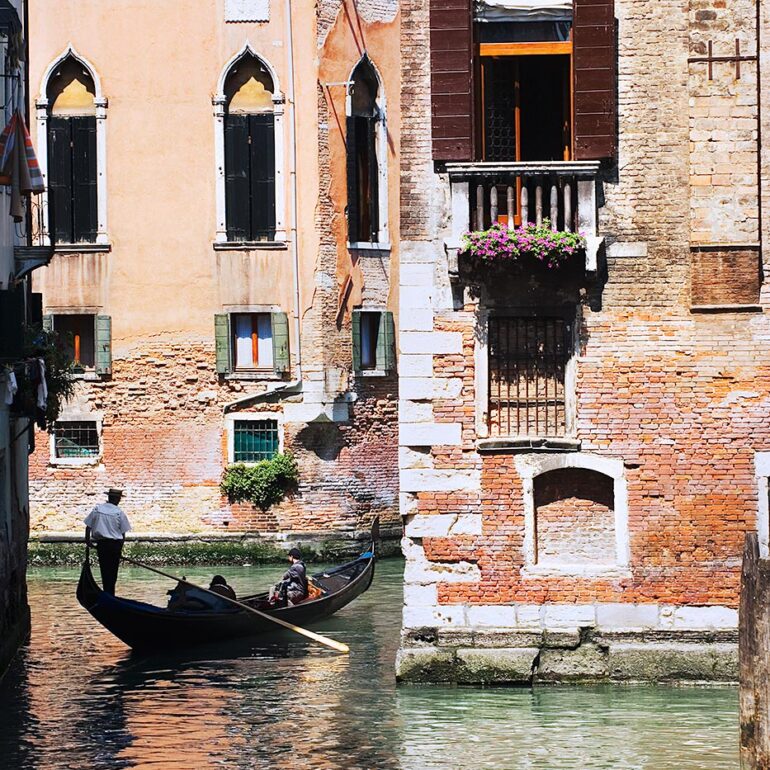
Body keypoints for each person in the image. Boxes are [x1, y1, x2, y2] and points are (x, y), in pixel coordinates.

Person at [84, 488, 131, 596]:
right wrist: (120, 549)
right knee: (113, 573)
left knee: (105, 571)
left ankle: (107, 594)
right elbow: (123, 533)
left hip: (102, 545)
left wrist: (88, 542)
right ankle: (110, 594)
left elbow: (88, 527)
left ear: (109, 497)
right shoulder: (119, 513)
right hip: (115, 545)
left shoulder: (97, 509)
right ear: (118, 499)